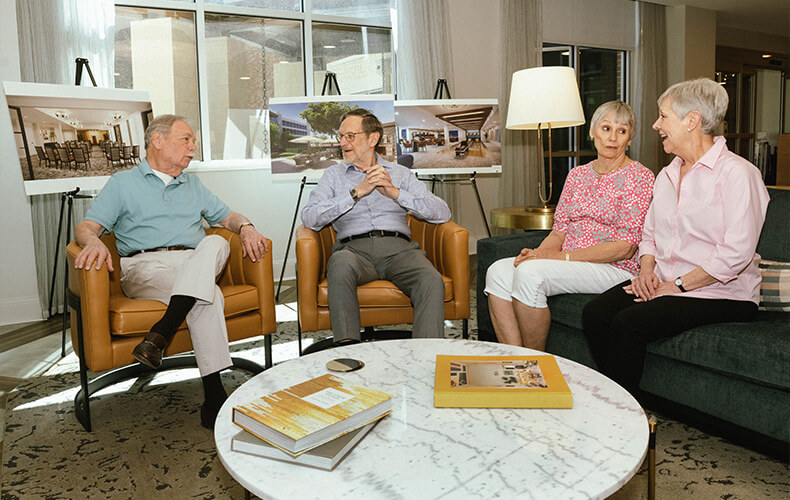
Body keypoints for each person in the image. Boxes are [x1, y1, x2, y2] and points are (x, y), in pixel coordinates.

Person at [73, 114, 270, 429]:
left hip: (193, 261)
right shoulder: (123, 183)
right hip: (144, 266)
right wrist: (93, 242)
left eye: (193, 142)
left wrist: (246, 228)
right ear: (158, 140)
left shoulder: (192, 183)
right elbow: (87, 226)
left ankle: (161, 334)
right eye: (186, 139)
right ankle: (215, 395)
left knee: (216, 244)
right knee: (210, 294)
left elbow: (228, 217)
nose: (193, 148)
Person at [582, 79, 769, 401]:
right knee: (596, 312)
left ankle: (625, 415)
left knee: (629, 323)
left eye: (663, 116)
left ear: (691, 120)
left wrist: (677, 286)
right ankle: (615, 399)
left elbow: (736, 253)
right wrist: (646, 272)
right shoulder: (668, 174)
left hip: (722, 292)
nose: (656, 125)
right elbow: (650, 234)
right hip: (668, 281)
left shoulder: (739, 174)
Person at [485, 101, 655, 350]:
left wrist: (560, 258)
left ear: (630, 138)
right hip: (570, 261)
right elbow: (559, 230)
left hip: (615, 268)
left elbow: (625, 248)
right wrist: (538, 254)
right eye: (606, 128)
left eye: (622, 131)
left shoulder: (640, 177)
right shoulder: (577, 175)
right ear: (592, 132)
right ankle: (517, 359)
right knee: (498, 271)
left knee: (530, 274)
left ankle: (537, 365)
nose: (613, 138)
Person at [301, 108, 451, 344]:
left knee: (430, 280)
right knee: (339, 265)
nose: (342, 143)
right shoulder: (333, 175)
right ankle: (348, 353)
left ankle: (427, 359)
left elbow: (442, 212)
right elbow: (310, 217)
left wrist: (395, 193)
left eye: (350, 136)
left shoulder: (400, 173)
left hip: (400, 251)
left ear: (373, 138)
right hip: (353, 251)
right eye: (340, 137)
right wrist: (355, 193)